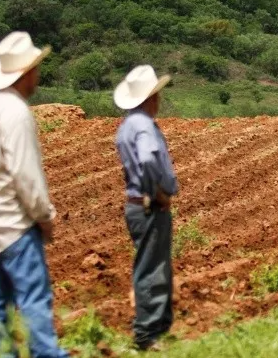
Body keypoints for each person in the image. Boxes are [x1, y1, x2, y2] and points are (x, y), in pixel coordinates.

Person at [0, 31, 68, 357]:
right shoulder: (16, 112)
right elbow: (25, 174)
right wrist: (45, 216)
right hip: (16, 224)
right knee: (34, 297)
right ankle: (47, 353)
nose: (38, 74)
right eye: (35, 68)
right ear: (25, 73)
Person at [113, 65, 179, 351]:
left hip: (137, 205)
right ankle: (147, 335)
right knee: (151, 269)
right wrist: (158, 192)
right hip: (149, 205)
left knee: (156, 265)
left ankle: (159, 327)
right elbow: (149, 159)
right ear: (151, 97)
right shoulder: (143, 125)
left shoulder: (127, 125)